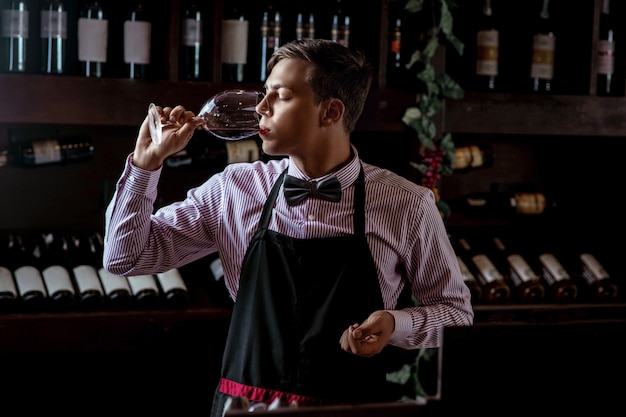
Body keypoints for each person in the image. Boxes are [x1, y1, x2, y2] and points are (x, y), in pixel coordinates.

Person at [103, 38, 473, 416]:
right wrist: (144, 167)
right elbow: (124, 258)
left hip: (352, 409)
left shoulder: (407, 204)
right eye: (264, 94)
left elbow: (457, 314)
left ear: (330, 112)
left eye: (280, 96)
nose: (261, 108)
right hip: (243, 409)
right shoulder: (233, 190)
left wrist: (397, 323)